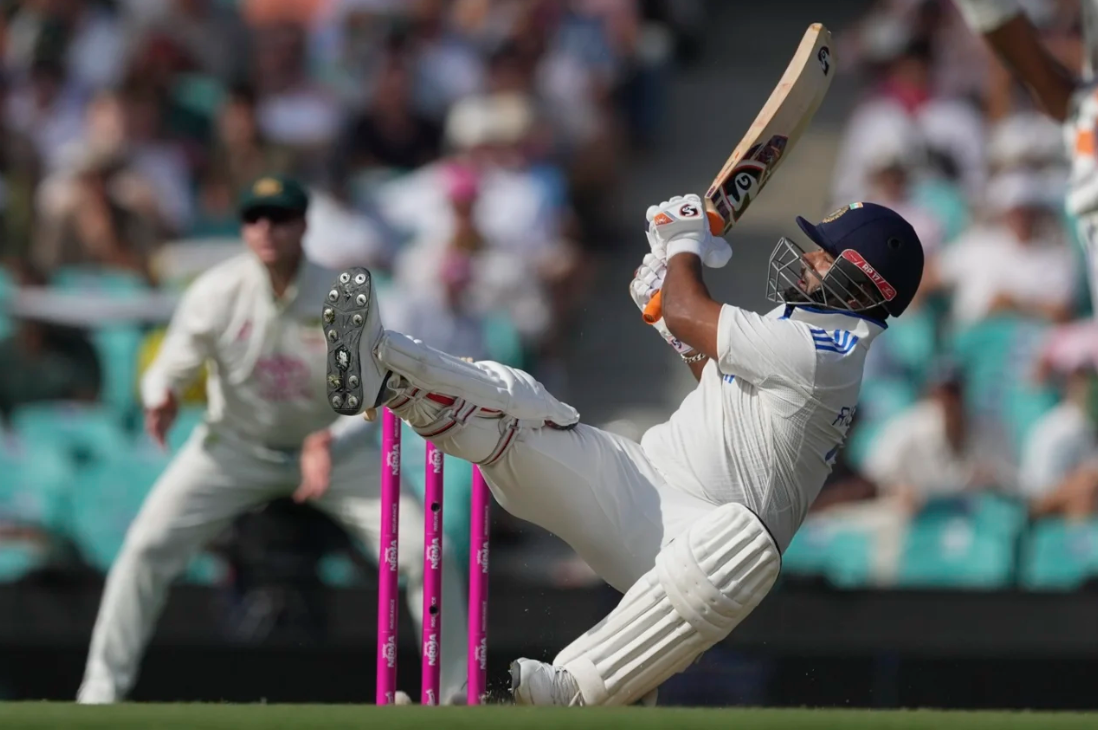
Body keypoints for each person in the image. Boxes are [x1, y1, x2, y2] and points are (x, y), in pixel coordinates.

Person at [308, 194, 924, 706]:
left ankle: (574, 687)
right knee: (529, 412)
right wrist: (664, 312)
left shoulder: (829, 350)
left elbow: (694, 311)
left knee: (748, 544)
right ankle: (389, 372)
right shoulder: (800, 328)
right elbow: (714, 370)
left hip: (698, 551)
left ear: (862, 278)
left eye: (825, 252)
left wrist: (683, 246)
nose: (809, 258)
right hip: (640, 486)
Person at [76, 175, 468, 705]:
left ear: (303, 225)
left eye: (280, 217)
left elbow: (371, 396)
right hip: (235, 449)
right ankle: (99, 695)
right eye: (255, 217)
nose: (267, 228)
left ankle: (453, 699)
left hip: (337, 452)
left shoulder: (344, 292)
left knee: (428, 552)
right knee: (145, 549)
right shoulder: (215, 292)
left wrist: (328, 440)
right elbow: (170, 365)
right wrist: (160, 395)